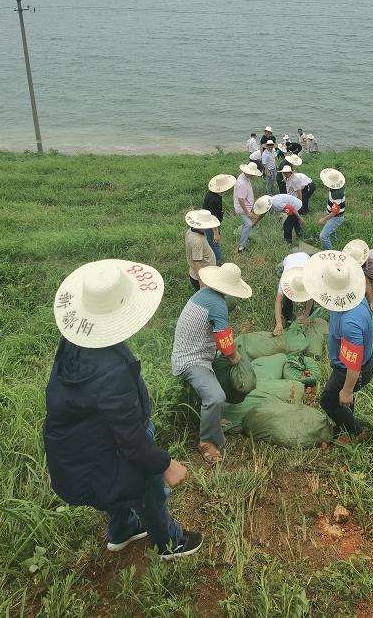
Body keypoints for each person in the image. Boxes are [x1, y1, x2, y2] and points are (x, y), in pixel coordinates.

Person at [43, 259, 202, 560]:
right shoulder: (110, 371)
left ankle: (123, 529)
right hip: (111, 443)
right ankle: (170, 543)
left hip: (86, 443)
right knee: (150, 490)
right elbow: (131, 440)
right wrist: (165, 464)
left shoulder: (75, 340)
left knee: (115, 483)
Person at [171, 263, 252, 463]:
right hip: (191, 360)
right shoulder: (217, 305)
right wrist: (234, 357)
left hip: (200, 353)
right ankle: (206, 441)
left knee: (220, 381)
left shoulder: (204, 293)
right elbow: (224, 341)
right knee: (216, 397)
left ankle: (212, 421)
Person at [302, 250, 373, 443]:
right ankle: (347, 415)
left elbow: (354, 364)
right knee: (339, 397)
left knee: (328, 401)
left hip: (350, 370)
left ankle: (357, 432)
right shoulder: (352, 298)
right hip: (350, 365)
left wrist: (347, 389)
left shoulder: (350, 323)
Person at [273, 251, 314, 335]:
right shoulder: (284, 282)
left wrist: (306, 316)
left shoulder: (310, 279)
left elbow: (311, 299)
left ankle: (308, 316)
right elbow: (278, 302)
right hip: (289, 258)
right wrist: (279, 323)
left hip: (305, 257)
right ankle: (288, 317)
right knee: (287, 297)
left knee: (309, 298)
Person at [203, 174, 236, 265]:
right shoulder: (214, 200)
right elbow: (212, 218)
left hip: (210, 224)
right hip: (210, 225)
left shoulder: (214, 194)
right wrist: (216, 233)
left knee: (211, 243)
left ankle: (211, 260)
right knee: (215, 244)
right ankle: (217, 263)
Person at [184, 209, 219, 291]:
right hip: (202, 278)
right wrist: (202, 283)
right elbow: (196, 263)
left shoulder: (191, 231)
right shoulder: (197, 241)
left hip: (203, 274)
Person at [233, 161, 262, 253]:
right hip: (242, 208)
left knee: (248, 224)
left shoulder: (244, 177)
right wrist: (247, 212)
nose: (253, 176)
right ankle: (241, 248)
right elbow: (240, 199)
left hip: (246, 206)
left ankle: (244, 240)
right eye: (252, 174)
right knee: (248, 224)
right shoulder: (242, 183)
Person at [318, 168, 346, 250]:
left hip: (336, 217)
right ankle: (334, 242)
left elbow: (335, 211)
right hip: (334, 216)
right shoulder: (334, 189)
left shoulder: (336, 194)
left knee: (323, 236)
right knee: (332, 231)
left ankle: (330, 252)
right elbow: (333, 206)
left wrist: (324, 219)